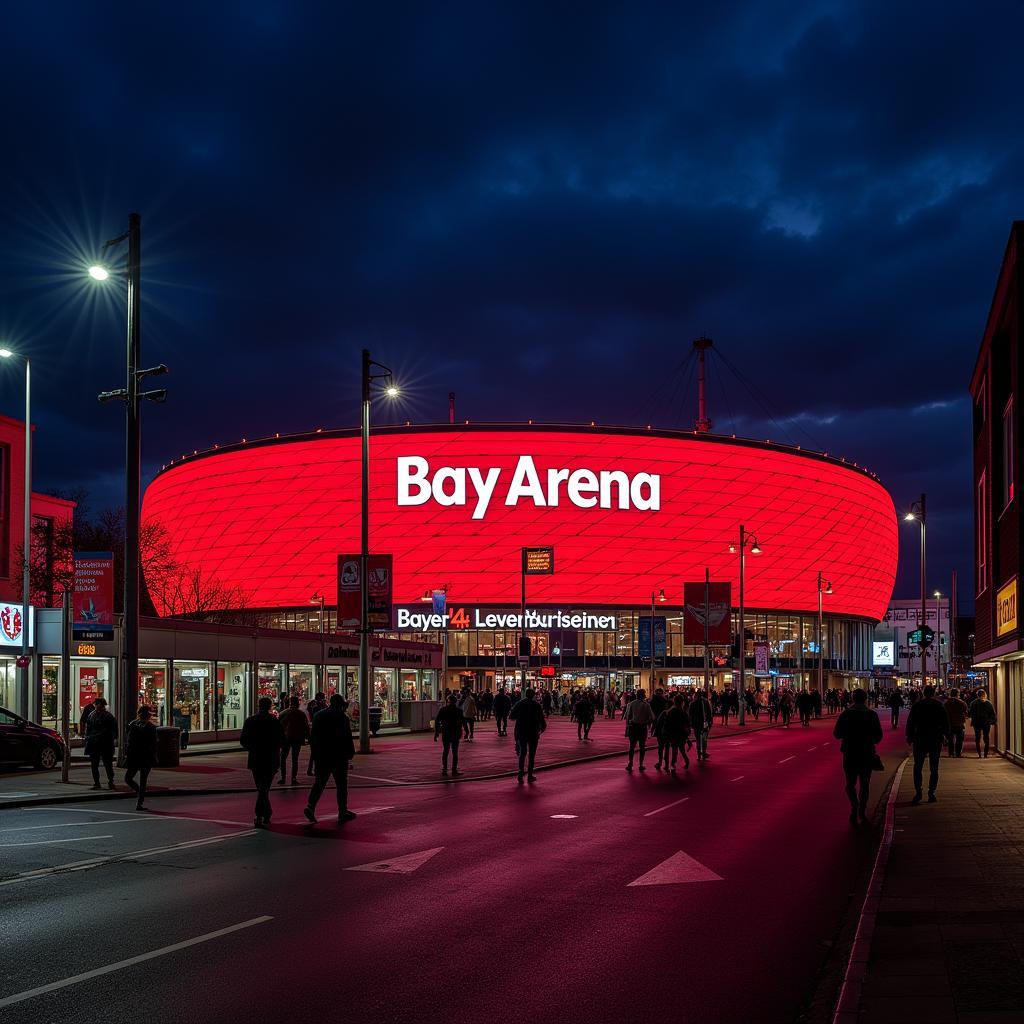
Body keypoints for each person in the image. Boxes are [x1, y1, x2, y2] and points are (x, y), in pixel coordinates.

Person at [304, 694, 357, 824]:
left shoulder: (319, 716)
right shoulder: (342, 718)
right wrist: (350, 753)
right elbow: (346, 737)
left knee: (320, 782)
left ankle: (310, 805)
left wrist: (315, 754)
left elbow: (314, 737)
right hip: (338, 755)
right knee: (341, 785)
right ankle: (342, 811)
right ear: (340, 704)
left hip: (322, 754)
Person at [832, 688, 883, 825]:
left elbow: (837, 734)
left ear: (852, 699)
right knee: (865, 783)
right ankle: (862, 809)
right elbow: (878, 736)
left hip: (850, 753)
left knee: (850, 784)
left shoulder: (846, 714)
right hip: (867, 753)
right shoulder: (871, 715)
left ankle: (854, 806)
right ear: (865, 699)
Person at [240, 696, 285, 827]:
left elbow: (243, 741)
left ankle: (263, 815)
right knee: (264, 788)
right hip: (271, 757)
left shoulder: (250, 721)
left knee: (261, 787)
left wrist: (253, 748)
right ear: (270, 706)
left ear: (258, 706)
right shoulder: (274, 721)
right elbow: (282, 739)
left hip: (256, 758)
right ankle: (263, 814)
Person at [905, 685, 950, 804]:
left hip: (920, 737)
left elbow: (910, 722)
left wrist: (909, 736)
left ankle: (918, 792)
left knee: (917, 766)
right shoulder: (938, 705)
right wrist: (945, 735)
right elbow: (945, 722)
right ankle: (931, 792)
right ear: (934, 693)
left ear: (923, 693)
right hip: (935, 738)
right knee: (934, 767)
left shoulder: (917, 706)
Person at [124, 705, 158, 811]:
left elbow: (129, 739)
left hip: (137, 755)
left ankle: (140, 798)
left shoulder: (134, 724)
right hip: (143, 755)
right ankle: (140, 796)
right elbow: (153, 744)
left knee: (129, 778)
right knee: (141, 780)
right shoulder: (149, 727)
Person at [510, 687, 546, 782]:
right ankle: (530, 775)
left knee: (522, 753)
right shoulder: (536, 705)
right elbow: (542, 720)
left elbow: (511, 716)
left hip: (521, 731)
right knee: (532, 754)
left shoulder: (519, 704)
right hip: (533, 732)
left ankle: (520, 773)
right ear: (533, 695)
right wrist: (540, 730)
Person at [84, 697, 118, 791]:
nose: (96, 706)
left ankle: (110, 781)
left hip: (104, 743)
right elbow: (88, 728)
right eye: (96, 704)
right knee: (95, 764)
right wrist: (87, 737)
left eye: (97, 704)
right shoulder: (92, 715)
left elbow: (112, 731)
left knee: (107, 764)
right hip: (95, 743)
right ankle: (97, 782)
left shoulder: (107, 716)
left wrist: (90, 736)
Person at [277, 696, 310, 785]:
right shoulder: (301, 714)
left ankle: (283, 777)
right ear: (298, 703)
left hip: (285, 738)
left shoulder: (283, 713)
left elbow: (279, 728)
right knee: (295, 759)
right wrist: (308, 737)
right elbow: (306, 727)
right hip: (297, 738)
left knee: (283, 758)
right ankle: (293, 778)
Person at [434, 694, 465, 775]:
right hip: (455, 732)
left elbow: (437, 721)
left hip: (446, 732)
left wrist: (436, 732)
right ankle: (454, 770)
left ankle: (444, 769)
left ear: (447, 701)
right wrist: (464, 732)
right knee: (455, 752)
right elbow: (462, 722)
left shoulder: (443, 710)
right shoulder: (459, 711)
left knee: (446, 751)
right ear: (455, 702)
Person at [624, 689, 655, 771]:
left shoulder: (631, 704)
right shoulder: (646, 705)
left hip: (633, 726)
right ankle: (641, 764)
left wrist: (628, 726)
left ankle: (630, 763)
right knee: (642, 747)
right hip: (642, 727)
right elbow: (652, 718)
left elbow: (628, 717)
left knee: (632, 746)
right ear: (643, 695)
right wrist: (647, 723)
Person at [664, 694, 691, 771]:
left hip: (673, 733)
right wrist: (687, 734)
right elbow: (687, 724)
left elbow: (667, 723)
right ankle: (686, 761)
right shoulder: (683, 712)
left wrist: (667, 732)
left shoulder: (671, 711)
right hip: (681, 733)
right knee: (682, 749)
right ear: (682, 702)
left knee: (674, 749)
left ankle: (673, 764)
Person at [968, 689, 997, 758]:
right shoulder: (988, 703)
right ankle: (985, 754)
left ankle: (979, 754)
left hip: (976, 722)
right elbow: (993, 714)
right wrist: (992, 721)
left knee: (977, 738)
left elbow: (970, 713)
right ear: (984, 695)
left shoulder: (973, 703)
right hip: (986, 722)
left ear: (977, 695)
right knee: (986, 737)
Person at [305, 692, 327, 776]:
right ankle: (313, 769)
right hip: (317, 732)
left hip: (317, 732)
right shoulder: (314, 706)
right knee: (315, 752)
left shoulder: (319, 706)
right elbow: (315, 716)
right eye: (322, 698)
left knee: (315, 753)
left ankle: (313, 769)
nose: (323, 699)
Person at [943, 688, 969, 758]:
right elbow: (966, 713)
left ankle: (951, 753)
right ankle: (958, 753)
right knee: (959, 739)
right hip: (959, 723)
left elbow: (944, 714)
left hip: (950, 723)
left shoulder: (946, 703)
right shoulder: (962, 703)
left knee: (950, 739)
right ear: (958, 694)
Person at [690, 689, 713, 761]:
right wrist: (710, 722)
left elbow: (690, 714)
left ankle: (699, 754)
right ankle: (703, 752)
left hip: (696, 723)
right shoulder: (705, 702)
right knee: (704, 739)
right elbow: (709, 713)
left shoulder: (693, 703)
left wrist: (691, 723)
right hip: (704, 723)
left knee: (698, 739)